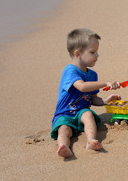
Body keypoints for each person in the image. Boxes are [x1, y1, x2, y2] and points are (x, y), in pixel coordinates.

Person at [51, 28, 121, 158]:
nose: (97, 55)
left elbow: (92, 98)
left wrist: (105, 101)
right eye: (93, 52)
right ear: (78, 54)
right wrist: (105, 83)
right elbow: (82, 87)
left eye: (97, 51)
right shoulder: (70, 70)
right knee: (64, 130)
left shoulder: (93, 75)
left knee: (88, 114)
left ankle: (91, 140)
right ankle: (64, 146)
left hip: (81, 112)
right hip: (65, 113)